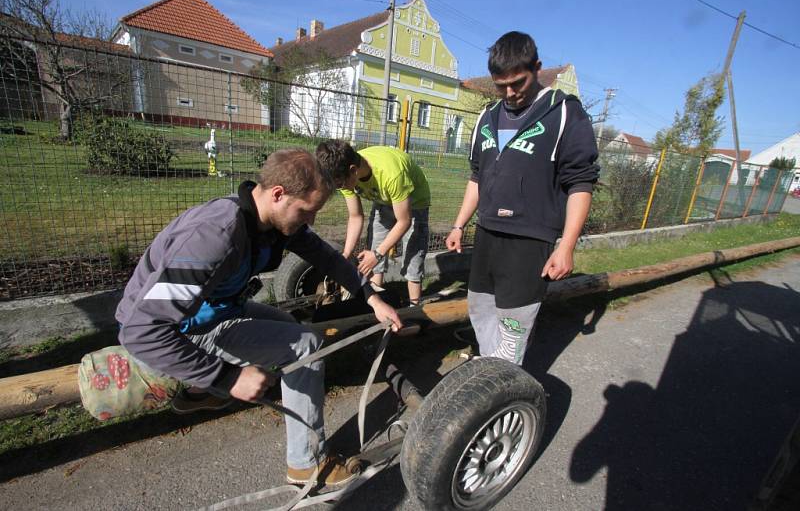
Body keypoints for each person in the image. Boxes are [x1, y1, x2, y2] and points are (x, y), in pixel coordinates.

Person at [115, 148, 402, 488]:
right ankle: (307, 466)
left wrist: (370, 297)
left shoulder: (271, 221)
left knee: (292, 329)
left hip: (218, 310)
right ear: (279, 194)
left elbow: (324, 255)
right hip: (180, 331)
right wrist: (226, 378)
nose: (310, 221)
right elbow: (142, 331)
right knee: (306, 346)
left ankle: (199, 392)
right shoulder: (213, 237)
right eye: (307, 212)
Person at [445, 31, 599, 364]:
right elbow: (477, 177)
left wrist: (567, 245)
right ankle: (493, 369)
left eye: (518, 83)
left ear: (537, 68)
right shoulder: (486, 118)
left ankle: (505, 389)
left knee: (514, 320)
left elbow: (581, 184)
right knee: (480, 306)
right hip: (487, 233)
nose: (510, 93)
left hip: (529, 238)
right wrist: (459, 225)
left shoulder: (563, 113)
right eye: (501, 86)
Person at [316, 140, 431, 306]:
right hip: (383, 199)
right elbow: (355, 216)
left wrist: (377, 254)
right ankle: (378, 303)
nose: (340, 188)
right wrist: (346, 254)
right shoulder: (343, 173)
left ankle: (415, 308)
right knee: (374, 253)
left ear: (353, 171)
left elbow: (404, 221)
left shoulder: (391, 174)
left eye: (340, 184)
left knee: (412, 259)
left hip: (414, 203)